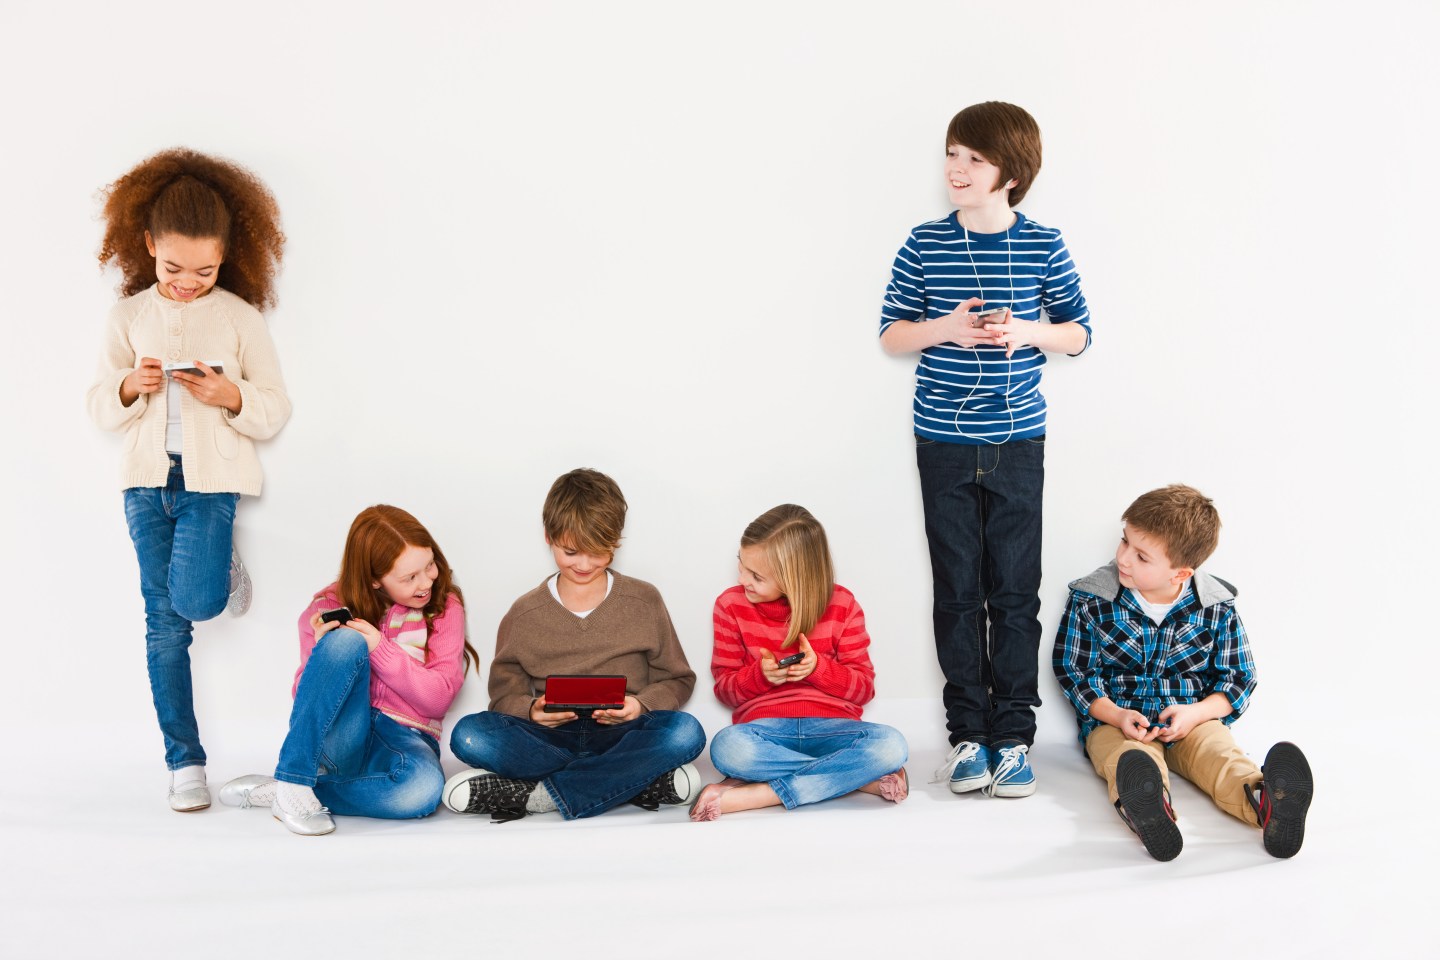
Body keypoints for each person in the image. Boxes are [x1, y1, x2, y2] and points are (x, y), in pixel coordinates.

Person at [878, 102, 1092, 798]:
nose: (956, 169)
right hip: (940, 439)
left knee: (1015, 594)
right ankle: (967, 737)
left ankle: (1014, 741)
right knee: (958, 593)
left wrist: (1026, 332)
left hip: (1017, 440)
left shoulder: (1044, 243)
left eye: (973, 157)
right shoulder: (923, 242)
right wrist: (946, 328)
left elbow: (1078, 332)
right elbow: (892, 334)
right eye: (951, 154)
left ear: (1011, 170)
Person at [86, 148, 291, 812]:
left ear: (226, 257)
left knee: (196, 604)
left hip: (212, 485)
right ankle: (184, 762)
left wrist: (230, 396)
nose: (185, 282)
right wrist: (128, 385)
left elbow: (274, 406)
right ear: (147, 246)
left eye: (204, 270)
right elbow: (97, 405)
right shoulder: (127, 318)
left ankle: (218, 565)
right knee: (164, 626)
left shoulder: (238, 317)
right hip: (145, 485)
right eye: (172, 268)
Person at [1052, 484, 1313, 860]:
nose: (1124, 559)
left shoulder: (1215, 606)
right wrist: (1118, 715)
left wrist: (1197, 713)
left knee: (1220, 756)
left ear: (1180, 573)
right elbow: (1076, 672)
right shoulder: (1093, 598)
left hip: (1192, 717)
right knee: (1124, 759)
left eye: (1141, 556)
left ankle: (1265, 800)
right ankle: (1149, 807)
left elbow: (1238, 678)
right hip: (1119, 720)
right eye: (1124, 542)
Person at [443, 468, 705, 821]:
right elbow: (502, 697)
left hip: (622, 736)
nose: (584, 564)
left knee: (686, 733)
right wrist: (532, 710)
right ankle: (636, 781)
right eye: (571, 552)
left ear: (615, 542)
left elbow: (679, 679)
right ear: (549, 537)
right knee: (469, 735)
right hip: (549, 740)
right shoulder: (524, 614)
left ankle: (539, 796)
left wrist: (640, 705)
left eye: (598, 552)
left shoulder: (644, 601)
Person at [220, 505, 478, 836]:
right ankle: (295, 777)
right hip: (344, 734)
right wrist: (325, 652)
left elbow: (438, 698)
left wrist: (380, 648)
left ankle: (289, 789)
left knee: (424, 790)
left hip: (407, 736)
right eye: (409, 577)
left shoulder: (445, 607)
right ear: (374, 580)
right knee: (344, 643)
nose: (427, 581)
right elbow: (305, 702)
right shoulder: (325, 609)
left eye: (429, 565)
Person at [691, 505, 909, 821]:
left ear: (795, 578)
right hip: (765, 731)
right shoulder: (730, 605)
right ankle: (855, 780)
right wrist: (761, 675)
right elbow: (725, 691)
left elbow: (863, 690)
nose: (743, 579)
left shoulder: (843, 604)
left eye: (756, 576)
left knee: (891, 746)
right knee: (727, 748)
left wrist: (819, 668)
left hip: (835, 729)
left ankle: (759, 794)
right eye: (741, 565)